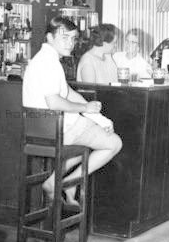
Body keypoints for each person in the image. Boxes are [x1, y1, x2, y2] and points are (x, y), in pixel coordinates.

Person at [23, 17, 122, 211]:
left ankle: (60, 183)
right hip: (59, 130)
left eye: (73, 38)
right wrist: (87, 110)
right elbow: (55, 102)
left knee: (85, 145)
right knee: (114, 143)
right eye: (64, 37)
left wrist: (96, 116)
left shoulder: (43, 59)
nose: (70, 43)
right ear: (49, 37)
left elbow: (68, 93)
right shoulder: (49, 64)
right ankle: (68, 184)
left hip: (41, 132)